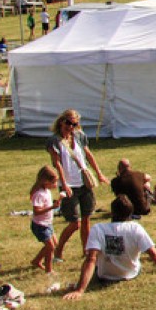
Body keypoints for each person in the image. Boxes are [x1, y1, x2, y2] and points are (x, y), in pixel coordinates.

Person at [63, 196, 156, 300]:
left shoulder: (98, 229)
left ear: (112, 212)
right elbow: (155, 255)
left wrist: (80, 290)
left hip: (104, 275)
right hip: (130, 273)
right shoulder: (135, 228)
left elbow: (91, 259)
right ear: (130, 213)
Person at [48, 109, 109, 263]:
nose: (71, 127)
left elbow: (88, 155)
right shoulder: (54, 141)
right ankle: (58, 250)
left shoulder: (80, 136)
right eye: (68, 123)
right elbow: (57, 164)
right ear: (62, 121)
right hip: (69, 184)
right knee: (75, 223)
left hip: (84, 182)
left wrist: (99, 173)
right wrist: (64, 184)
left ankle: (86, 250)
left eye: (74, 124)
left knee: (87, 218)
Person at [29, 166, 61, 273]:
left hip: (47, 224)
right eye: (54, 182)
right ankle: (49, 270)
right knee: (50, 247)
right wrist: (52, 207)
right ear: (46, 181)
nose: (56, 185)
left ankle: (37, 260)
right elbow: (37, 211)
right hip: (40, 225)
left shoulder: (46, 191)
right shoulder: (38, 194)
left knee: (54, 244)